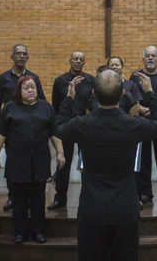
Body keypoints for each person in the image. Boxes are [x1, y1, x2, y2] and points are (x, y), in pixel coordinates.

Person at [55, 69, 157, 260]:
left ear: (93, 93)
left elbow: (58, 127)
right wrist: (149, 92)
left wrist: (69, 98)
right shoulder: (133, 124)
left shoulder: (82, 124)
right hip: (125, 208)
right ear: (122, 93)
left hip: (92, 208)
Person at [0, 75, 65, 244]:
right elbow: (1, 134)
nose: (30, 90)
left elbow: (54, 133)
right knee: (19, 201)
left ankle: (38, 231)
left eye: (33, 87)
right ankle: (20, 232)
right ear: (19, 91)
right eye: (26, 88)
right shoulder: (9, 108)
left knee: (39, 199)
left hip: (40, 161)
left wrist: (60, 152)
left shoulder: (46, 107)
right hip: (17, 162)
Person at [0, 44, 45, 211]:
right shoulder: (3, 78)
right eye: (18, 53)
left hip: (31, 129)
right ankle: (12, 196)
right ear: (12, 57)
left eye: (24, 54)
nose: (21, 56)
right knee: (12, 165)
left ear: (28, 58)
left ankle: (29, 197)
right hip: (12, 130)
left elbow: (42, 101)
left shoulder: (33, 78)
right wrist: (2, 127)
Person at [49, 51, 95, 210]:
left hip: (85, 128)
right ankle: (60, 198)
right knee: (63, 164)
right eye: (75, 59)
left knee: (86, 165)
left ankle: (88, 198)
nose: (78, 61)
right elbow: (56, 106)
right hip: (66, 128)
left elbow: (93, 104)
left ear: (84, 62)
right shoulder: (60, 81)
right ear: (69, 61)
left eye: (81, 59)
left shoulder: (91, 81)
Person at [129, 46, 157, 205]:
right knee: (144, 159)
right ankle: (145, 192)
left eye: (153, 55)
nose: (150, 58)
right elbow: (131, 97)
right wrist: (141, 109)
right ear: (143, 59)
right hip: (142, 122)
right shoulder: (135, 76)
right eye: (147, 55)